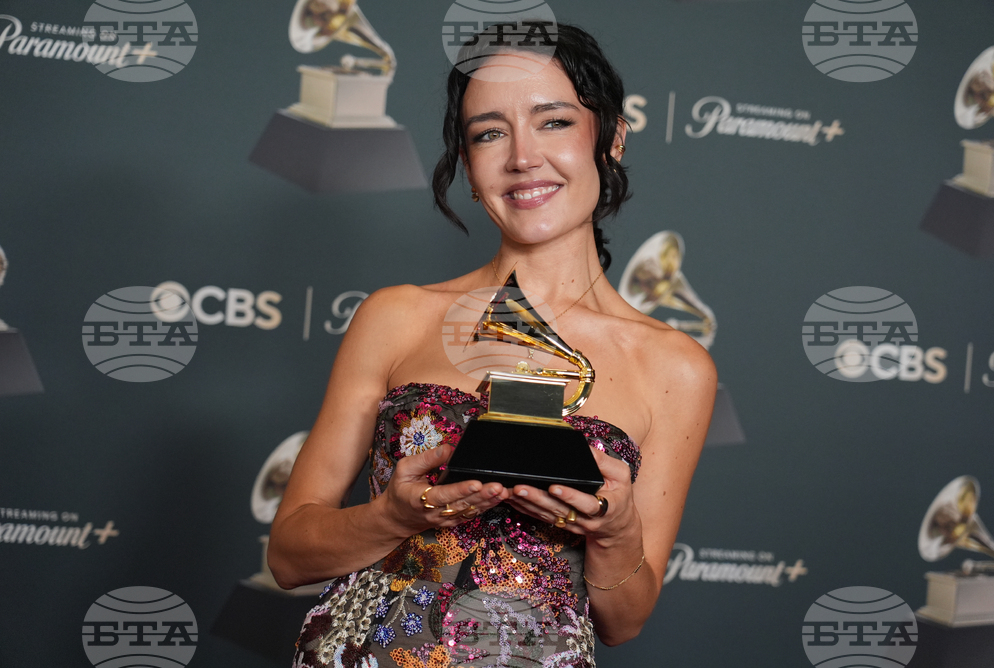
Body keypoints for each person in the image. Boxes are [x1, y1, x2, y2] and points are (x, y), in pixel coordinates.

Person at [269, 23, 717, 668]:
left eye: (554, 121)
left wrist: (615, 533)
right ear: (469, 167)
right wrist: (394, 515)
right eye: (489, 132)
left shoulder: (675, 366)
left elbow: (624, 621)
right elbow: (288, 556)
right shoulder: (395, 317)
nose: (522, 157)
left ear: (612, 138)